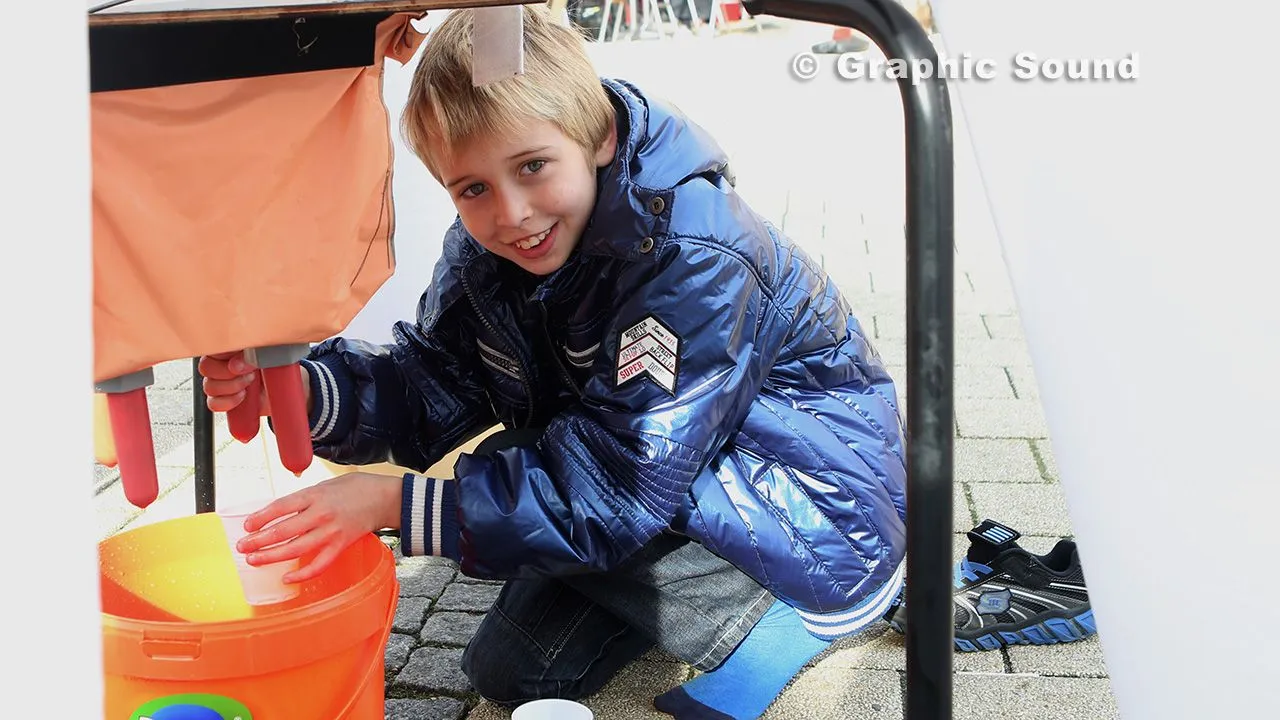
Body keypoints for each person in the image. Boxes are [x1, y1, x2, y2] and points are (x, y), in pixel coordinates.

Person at [198, 5, 907, 718]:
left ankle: (767, 617)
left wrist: (394, 504)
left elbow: (621, 482)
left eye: (533, 167)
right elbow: (434, 379)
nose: (511, 214)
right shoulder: (487, 251)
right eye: (471, 188)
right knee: (511, 672)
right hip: (646, 473)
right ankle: (675, 595)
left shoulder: (693, 256)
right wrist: (300, 389)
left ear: (597, 136)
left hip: (812, 512)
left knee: (529, 466)